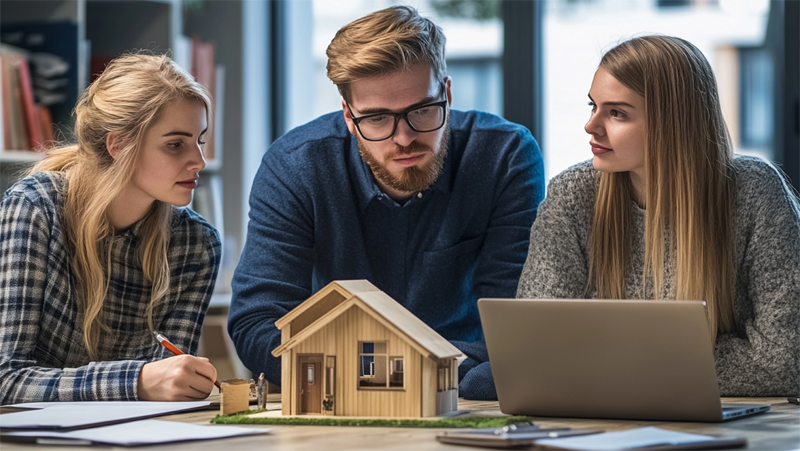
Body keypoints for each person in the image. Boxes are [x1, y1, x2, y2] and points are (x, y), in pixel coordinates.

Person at [229, 5, 544, 398]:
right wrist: (382, 377)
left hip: (465, 396)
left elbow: (512, 321)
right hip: (343, 395)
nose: (403, 138)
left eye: (421, 110)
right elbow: (258, 323)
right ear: (347, 114)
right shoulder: (295, 166)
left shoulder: (505, 156)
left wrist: (375, 373)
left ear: (446, 93)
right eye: (377, 118)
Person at [517, 35, 800, 396]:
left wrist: (608, 357)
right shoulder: (571, 195)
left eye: (616, 113)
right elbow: (536, 350)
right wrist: (680, 359)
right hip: (600, 421)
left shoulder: (755, 192)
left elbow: (785, 363)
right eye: (594, 106)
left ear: (673, 123)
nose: (591, 126)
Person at [0, 53, 222, 404]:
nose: (199, 161)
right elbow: (6, 379)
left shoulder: (196, 244)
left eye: (200, 140)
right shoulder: (36, 208)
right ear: (118, 145)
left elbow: (169, 384)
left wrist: (177, 382)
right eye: (175, 145)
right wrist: (136, 380)